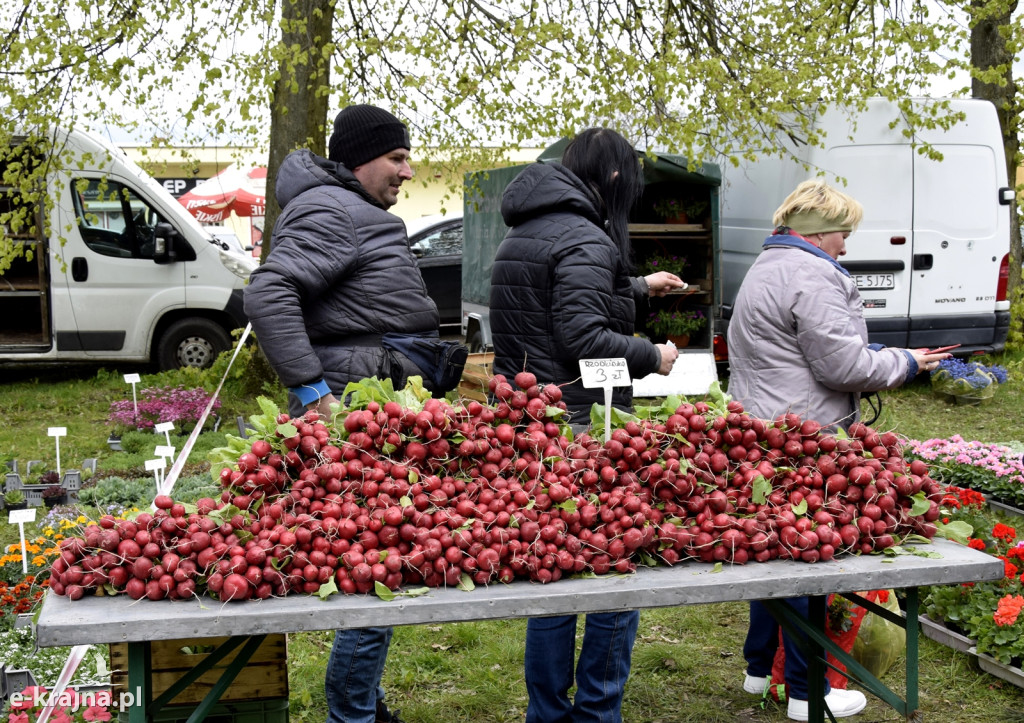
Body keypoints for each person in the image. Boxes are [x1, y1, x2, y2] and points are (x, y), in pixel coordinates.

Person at [727, 179, 951, 721]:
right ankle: (808, 694)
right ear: (820, 233)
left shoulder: (766, 266)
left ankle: (759, 671)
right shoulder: (814, 275)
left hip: (761, 429)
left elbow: (807, 349)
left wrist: (879, 350)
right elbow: (841, 367)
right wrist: (907, 363)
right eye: (843, 235)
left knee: (772, 548)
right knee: (812, 559)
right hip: (809, 439)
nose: (846, 247)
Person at [244, 103, 437, 723]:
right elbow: (269, 291)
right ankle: (353, 714)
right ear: (359, 161)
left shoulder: (348, 209)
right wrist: (312, 394)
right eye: (397, 158)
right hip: (354, 415)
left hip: (375, 406)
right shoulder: (333, 210)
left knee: (377, 559)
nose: (407, 172)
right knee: (371, 562)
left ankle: (363, 705)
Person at [489, 127, 681, 722]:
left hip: (529, 424)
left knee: (552, 568)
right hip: (580, 425)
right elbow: (582, 337)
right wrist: (654, 355)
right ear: (616, 179)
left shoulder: (527, 231)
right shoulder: (587, 239)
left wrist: (639, 287)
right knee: (610, 564)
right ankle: (598, 713)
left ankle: (546, 712)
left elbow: (562, 297)